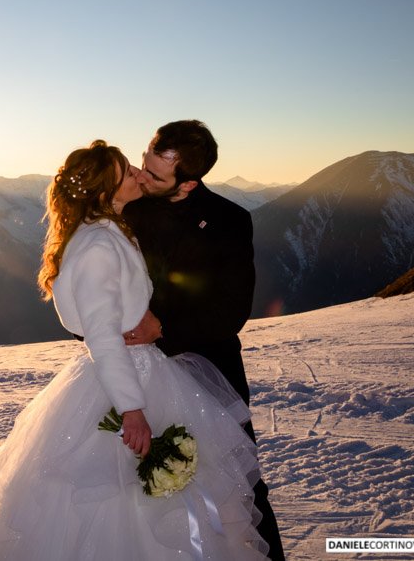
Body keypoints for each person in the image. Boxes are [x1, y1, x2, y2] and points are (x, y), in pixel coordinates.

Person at [0, 141, 268, 560]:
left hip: (143, 371)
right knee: (112, 502)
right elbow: (100, 335)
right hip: (123, 383)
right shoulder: (99, 244)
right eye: (128, 172)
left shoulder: (113, 227)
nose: (138, 175)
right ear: (106, 191)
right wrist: (132, 409)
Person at [122, 120, 286, 561]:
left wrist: (164, 328)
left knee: (239, 483)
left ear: (190, 182)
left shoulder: (231, 220)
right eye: (143, 164)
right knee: (129, 484)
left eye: (154, 175)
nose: (141, 177)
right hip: (133, 375)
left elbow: (232, 310)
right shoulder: (125, 210)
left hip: (209, 372)